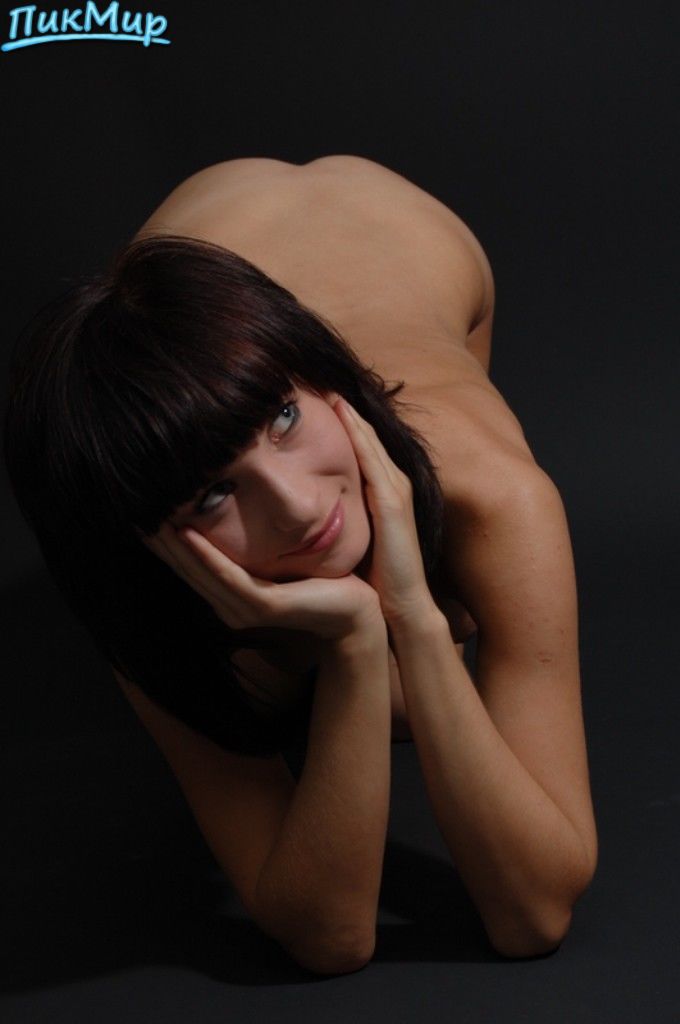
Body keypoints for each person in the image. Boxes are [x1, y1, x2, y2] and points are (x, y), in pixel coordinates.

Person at [3, 154, 597, 975]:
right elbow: (327, 935)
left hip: (400, 232)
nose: (297, 505)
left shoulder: (498, 498)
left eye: (285, 418)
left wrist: (417, 622)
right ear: (151, 535)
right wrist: (354, 645)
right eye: (214, 494)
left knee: (439, 634)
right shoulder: (139, 581)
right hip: (212, 223)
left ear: (324, 381)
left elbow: (534, 913)